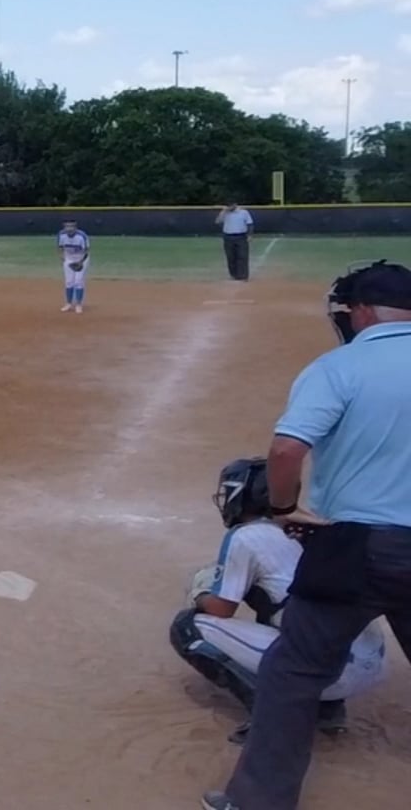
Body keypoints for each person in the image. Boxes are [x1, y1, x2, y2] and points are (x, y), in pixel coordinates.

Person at [202, 259, 411, 810]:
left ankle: (259, 801)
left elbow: (287, 449)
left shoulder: (340, 366)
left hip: (356, 546)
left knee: (293, 671)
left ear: (362, 312)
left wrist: (284, 507)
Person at [170, 458, 388, 746]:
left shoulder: (245, 536)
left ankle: (273, 716)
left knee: (188, 627)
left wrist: (199, 592)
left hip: (329, 669)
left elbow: (221, 609)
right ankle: (327, 710)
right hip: (370, 658)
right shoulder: (306, 525)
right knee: (282, 608)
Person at [57, 219, 90, 313]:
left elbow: (86, 251)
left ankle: (78, 304)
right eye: (67, 226)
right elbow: (60, 247)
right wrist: (62, 258)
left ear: (75, 227)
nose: (69, 228)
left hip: (81, 259)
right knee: (69, 282)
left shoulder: (82, 236)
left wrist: (80, 262)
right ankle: (68, 304)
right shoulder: (61, 235)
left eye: (72, 226)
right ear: (64, 227)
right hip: (69, 259)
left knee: (78, 281)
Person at [217, 202, 255, 282]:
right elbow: (218, 221)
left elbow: (250, 224)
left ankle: (243, 275)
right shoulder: (225, 213)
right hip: (228, 237)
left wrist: (250, 235)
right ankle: (234, 275)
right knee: (230, 257)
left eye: (230, 205)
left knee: (242, 256)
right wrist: (223, 212)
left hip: (241, 236)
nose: (229, 207)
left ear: (235, 205)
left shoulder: (244, 212)